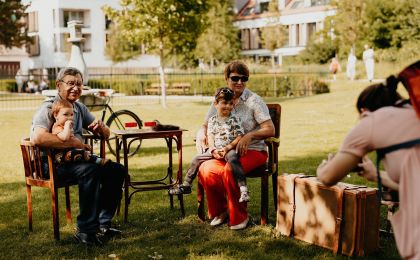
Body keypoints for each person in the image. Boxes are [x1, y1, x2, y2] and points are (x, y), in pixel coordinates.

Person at [316, 69, 420, 259]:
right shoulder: (414, 112)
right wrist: (375, 175)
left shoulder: (372, 120)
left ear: (364, 110)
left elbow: (327, 177)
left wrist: (325, 165)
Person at [30, 67, 125, 246]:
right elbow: (38, 137)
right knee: (90, 170)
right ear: (59, 85)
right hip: (50, 163)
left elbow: (106, 134)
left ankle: (102, 225)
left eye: (79, 84)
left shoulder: (79, 107)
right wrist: (75, 144)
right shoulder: (49, 107)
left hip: (75, 160)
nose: (75, 88)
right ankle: (86, 231)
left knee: (116, 170)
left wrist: (102, 128)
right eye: (71, 83)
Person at [196, 60, 275, 230]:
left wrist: (250, 135)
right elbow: (206, 123)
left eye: (244, 78)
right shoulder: (220, 98)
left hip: (252, 151)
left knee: (230, 170)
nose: (240, 82)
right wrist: (202, 133)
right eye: (235, 78)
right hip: (224, 151)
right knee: (206, 169)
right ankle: (221, 211)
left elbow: (270, 129)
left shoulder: (254, 101)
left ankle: (239, 217)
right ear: (227, 79)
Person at [168, 87, 250, 203]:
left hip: (229, 149)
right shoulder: (212, 120)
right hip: (215, 150)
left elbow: (239, 136)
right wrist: (212, 149)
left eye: (231, 104)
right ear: (216, 104)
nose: (228, 106)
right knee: (196, 159)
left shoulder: (234, 119)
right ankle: (186, 184)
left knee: (233, 159)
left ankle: (243, 189)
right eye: (224, 103)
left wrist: (227, 148)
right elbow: (210, 136)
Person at [51, 99, 109, 166]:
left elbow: (74, 139)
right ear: (56, 115)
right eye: (65, 114)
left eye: (71, 114)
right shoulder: (57, 127)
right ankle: (94, 160)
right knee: (80, 153)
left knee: (81, 153)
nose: (69, 117)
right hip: (61, 156)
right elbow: (64, 138)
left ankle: (92, 158)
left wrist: (83, 145)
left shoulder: (67, 127)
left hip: (71, 153)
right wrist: (67, 126)